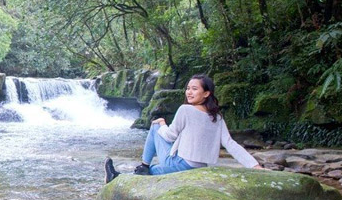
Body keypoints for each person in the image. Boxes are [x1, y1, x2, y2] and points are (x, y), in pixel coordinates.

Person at [104, 73, 263, 183]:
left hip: (180, 164)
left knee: (154, 128)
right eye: (188, 88)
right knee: (153, 171)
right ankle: (121, 175)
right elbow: (231, 144)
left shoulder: (185, 110)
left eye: (194, 89)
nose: (189, 92)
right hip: (199, 168)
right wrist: (254, 165)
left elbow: (169, 136)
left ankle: (143, 165)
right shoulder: (217, 117)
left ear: (206, 93)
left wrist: (161, 124)